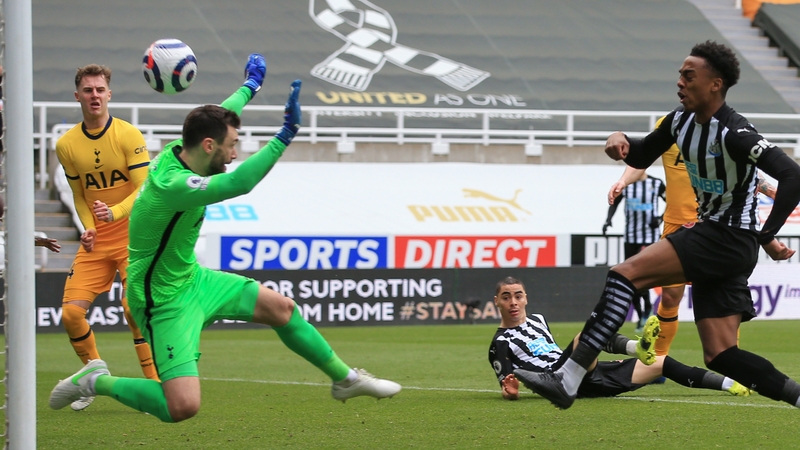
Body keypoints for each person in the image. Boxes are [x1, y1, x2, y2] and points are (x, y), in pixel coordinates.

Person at [49, 54, 401, 423]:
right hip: (161, 298)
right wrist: (284, 135)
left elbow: (219, 113)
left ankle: (345, 380)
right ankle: (96, 380)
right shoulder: (173, 184)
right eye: (232, 145)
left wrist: (251, 85)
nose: (235, 153)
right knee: (181, 407)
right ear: (208, 146)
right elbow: (239, 182)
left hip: (193, 279)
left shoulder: (183, 150)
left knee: (282, 309)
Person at [515, 40, 800, 410]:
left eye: (688, 76)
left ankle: (568, 377)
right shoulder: (679, 122)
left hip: (723, 236)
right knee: (721, 355)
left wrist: (765, 234)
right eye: (679, 75)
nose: (679, 82)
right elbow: (643, 151)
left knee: (624, 275)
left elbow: (792, 176)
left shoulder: (735, 132)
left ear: (715, 84)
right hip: (728, 244)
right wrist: (619, 140)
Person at [54, 63, 158, 411]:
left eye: (100, 89)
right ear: (78, 96)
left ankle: (154, 385)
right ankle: (93, 376)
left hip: (134, 235)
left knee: (133, 307)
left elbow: (144, 190)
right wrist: (89, 228)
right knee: (70, 314)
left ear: (109, 94)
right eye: (88, 90)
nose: (94, 95)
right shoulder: (66, 145)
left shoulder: (128, 135)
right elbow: (79, 194)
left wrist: (113, 214)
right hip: (98, 239)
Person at [491, 277, 749, 401]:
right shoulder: (499, 343)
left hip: (586, 374)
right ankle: (637, 347)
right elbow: (507, 386)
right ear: (497, 302)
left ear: (526, 297)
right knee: (588, 334)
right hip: (558, 379)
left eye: (518, 295)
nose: (513, 302)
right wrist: (511, 392)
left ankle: (730, 384)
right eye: (506, 297)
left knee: (660, 363)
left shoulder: (538, 319)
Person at [603, 171, 665, 332]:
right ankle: (643, 312)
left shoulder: (656, 184)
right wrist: (608, 220)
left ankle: (646, 310)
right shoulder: (626, 186)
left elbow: (672, 201)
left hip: (649, 238)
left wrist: (659, 219)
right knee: (630, 277)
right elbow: (615, 203)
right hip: (630, 237)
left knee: (643, 274)